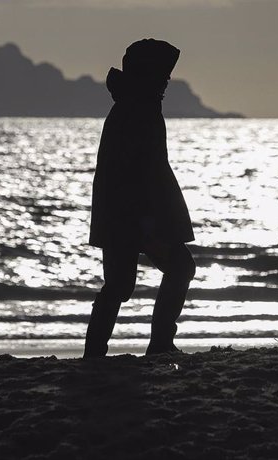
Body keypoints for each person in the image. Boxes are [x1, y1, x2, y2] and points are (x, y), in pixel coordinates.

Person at [84, 39, 196, 357]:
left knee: (124, 283)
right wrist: (146, 222)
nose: (167, 81)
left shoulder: (137, 105)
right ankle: (154, 344)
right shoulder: (135, 110)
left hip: (132, 216)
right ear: (148, 74)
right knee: (156, 275)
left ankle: (103, 351)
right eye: (163, 75)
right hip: (133, 216)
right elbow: (130, 174)